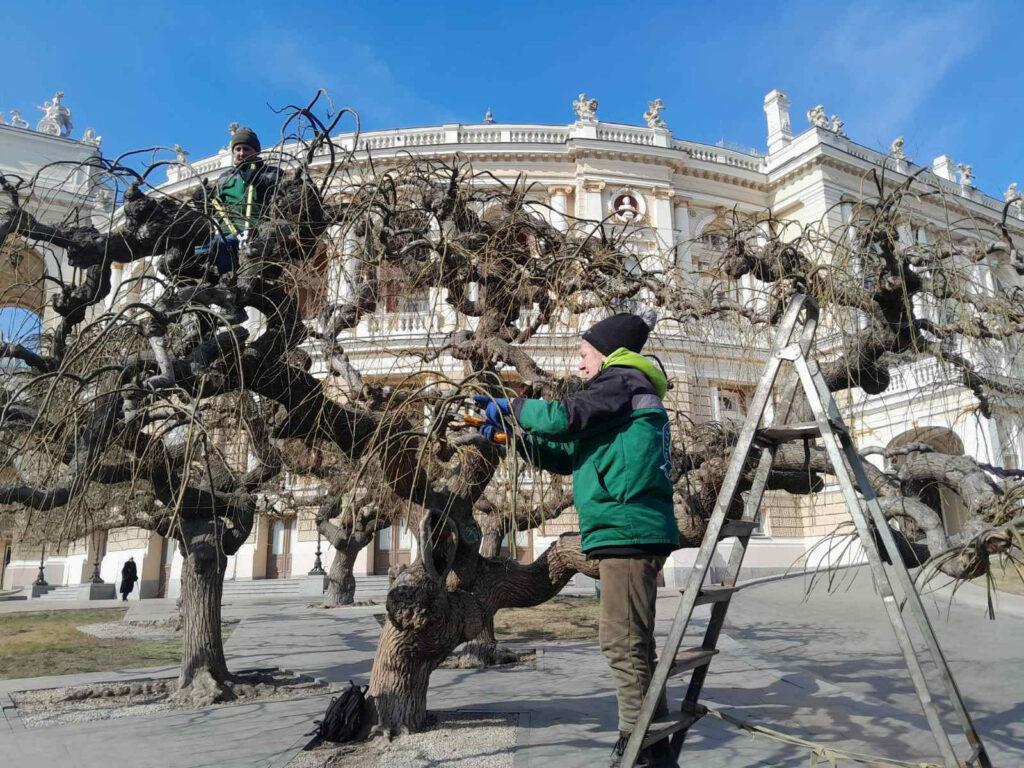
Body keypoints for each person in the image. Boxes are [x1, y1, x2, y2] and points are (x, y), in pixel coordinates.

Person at [474, 313, 680, 768]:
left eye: (584, 354)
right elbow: (569, 455)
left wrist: (512, 406)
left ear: (606, 354)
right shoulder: (622, 394)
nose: (579, 364)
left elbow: (566, 417)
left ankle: (637, 746)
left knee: (620, 641)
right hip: (628, 529)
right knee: (636, 644)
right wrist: (514, 440)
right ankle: (655, 746)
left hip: (626, 530)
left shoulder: (620, 382)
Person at [200, 127, 283, 274]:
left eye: (246, 148)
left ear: (256, 151)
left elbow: (284, 202)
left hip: (255, 232)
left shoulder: (272, 173)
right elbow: (214, 209)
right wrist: (202, 199)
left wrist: (260, 179)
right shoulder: (225, 178)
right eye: (237, 149)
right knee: (201, 251)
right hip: (226, 234)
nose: (241, 153)